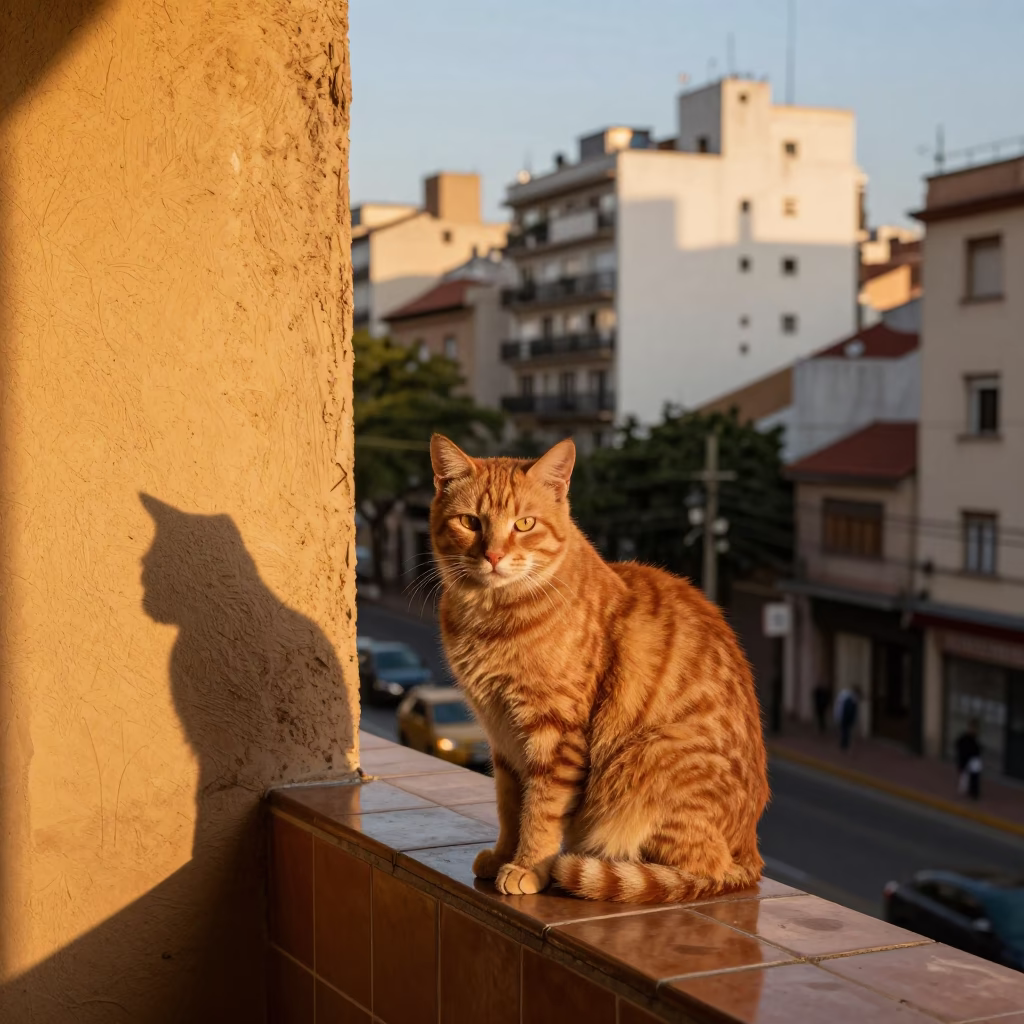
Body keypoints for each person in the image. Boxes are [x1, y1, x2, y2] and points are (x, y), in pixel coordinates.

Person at [956, 719, 983, 800]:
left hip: (974, 760)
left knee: (974, 777)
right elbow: (960, 746)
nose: (973, 730)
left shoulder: (975, 738)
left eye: (975, 728)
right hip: (966, 760)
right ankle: (966, 793)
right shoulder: (964, 738)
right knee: (964, 778)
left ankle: (973, 792)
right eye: (972, 728)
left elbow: (977, 750)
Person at [835, 685, 860, 751]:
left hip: (845, 718)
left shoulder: (849, 698)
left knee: (845, 731)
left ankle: (844, 744)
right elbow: (849, 711)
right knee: (845, 732)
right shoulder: (850, 699)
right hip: (846, 718)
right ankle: (844, 745)